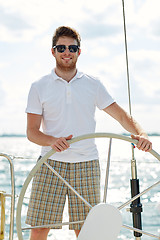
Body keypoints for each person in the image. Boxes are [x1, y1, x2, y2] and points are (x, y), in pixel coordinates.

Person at [25, 26, 152, 240]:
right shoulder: (39, 86)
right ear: (53, 51)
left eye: (72, 48)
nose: (67, 52)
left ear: (79, 52)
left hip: (87, 164)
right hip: (50, 164)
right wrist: (52, 141)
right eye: (62, 47)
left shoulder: (93, 84)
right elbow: (31, 132)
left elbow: (121, 116)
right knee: (39, 229)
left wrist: (142, 134)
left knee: (86, 231)